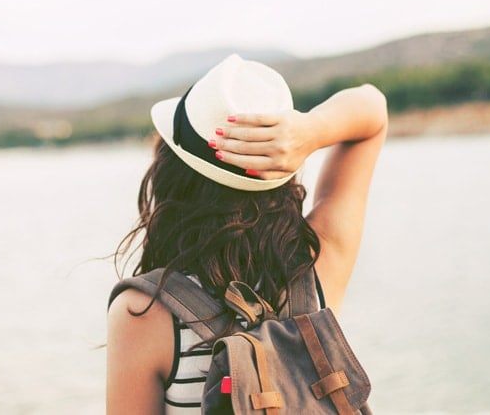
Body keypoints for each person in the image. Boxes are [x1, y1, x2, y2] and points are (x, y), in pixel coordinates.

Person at [107, 54, 387, 414]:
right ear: (282, 171)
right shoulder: (320, 265)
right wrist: (311, 130)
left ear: (171, 174)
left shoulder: (142, 313)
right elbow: (372, 109)